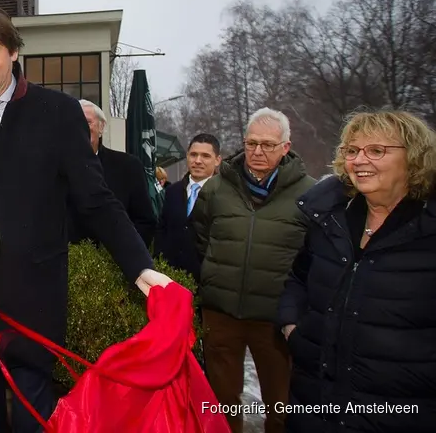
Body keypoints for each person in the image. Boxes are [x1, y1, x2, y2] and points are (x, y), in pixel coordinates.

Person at [0, 3, 156, 433]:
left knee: (35, 420)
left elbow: (96, 201)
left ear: (15, 51)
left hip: (33, 301)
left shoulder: (58, 112)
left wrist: (140, 267)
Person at [277, 110, 436, 433]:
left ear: (416, 158)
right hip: (314, 405)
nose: (359, 160)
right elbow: (298, 278)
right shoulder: (329, 219)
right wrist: (292, 327)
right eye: (352, 151)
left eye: (376, 150)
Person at [190, 108, 315, 433]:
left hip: (275, 318)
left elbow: (313, 255)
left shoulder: (309, 195)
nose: (258, 151)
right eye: (251, 143)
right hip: (221, 313)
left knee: (281, 404)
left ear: (285, 147)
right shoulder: (216, 188)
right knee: (222, 401)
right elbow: (203, 237)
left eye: (268, 145)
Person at [69, 99, 156, 248]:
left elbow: (145, 221)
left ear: (101, 127)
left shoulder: (128, 166)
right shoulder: (53, 167)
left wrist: (126, 255)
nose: (81, 126)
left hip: (116, 263)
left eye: (88, 122)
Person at [155, 133, 222, 283]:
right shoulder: (172, 191)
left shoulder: (225, 195)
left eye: (205, 156)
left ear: (217, 160)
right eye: (193, 155)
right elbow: (162, 228)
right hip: (171, 278)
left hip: (208, 282)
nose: (198, 161)